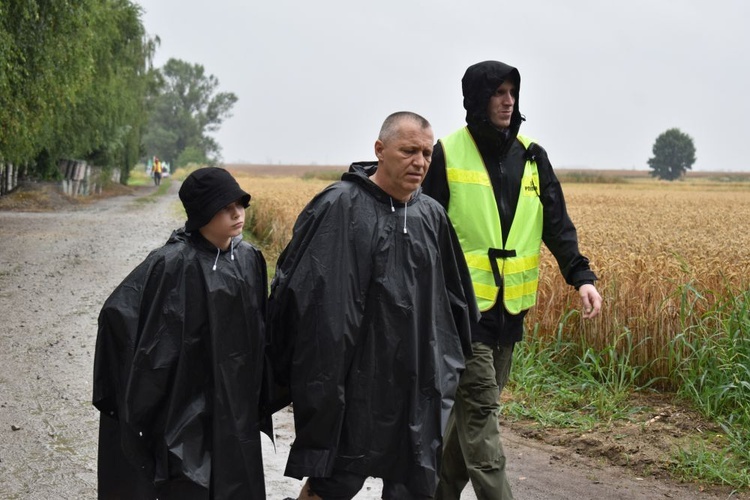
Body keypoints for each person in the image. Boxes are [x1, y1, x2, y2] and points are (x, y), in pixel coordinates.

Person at [267, 112, 478, 500]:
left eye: (427, 153)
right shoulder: (338, 206)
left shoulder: (431, 216)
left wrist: (451, 362)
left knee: (413, 480)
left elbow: (455, 301)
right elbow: (296, 293)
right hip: (350, 383)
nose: (420, 162)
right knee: (334, 479)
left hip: (415, 382)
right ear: (380, 150)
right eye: (409, 150)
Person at [421, 60, 603, 500]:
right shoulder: (447, 152)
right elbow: (425, 229)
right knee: (482, 417)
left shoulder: (533, 155)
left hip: (510, 313)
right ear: (477, 99)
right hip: (462, 313)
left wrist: (582, 276)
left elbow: (555, 224)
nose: (508, 101)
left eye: (512, 92)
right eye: (498, 92)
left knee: (468, 420)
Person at [92, 167, 271, 499]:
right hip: (186, 408)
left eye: (240, 204)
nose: (237, 214)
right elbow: (120, 312)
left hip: (234, 403)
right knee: (189, 481)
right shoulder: (172, 263)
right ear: (202, 212)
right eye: (224, 207)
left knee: (236, 477)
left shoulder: (248, 258)